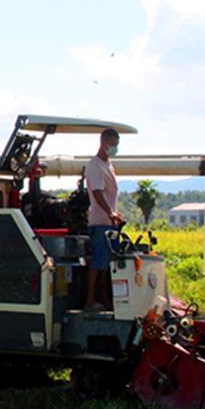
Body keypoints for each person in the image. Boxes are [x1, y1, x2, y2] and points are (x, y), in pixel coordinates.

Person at [84, 128, 122, 312]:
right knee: (98, 261)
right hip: (100, 222)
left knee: (106, 264)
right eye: (112, 144)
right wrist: (110, 213)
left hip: (109, 222)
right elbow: (98, 193)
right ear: (103, 143)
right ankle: (90, 301)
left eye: (116, 145)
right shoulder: (95, 165)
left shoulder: (109, 165)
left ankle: (104, 297)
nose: (114, 148)